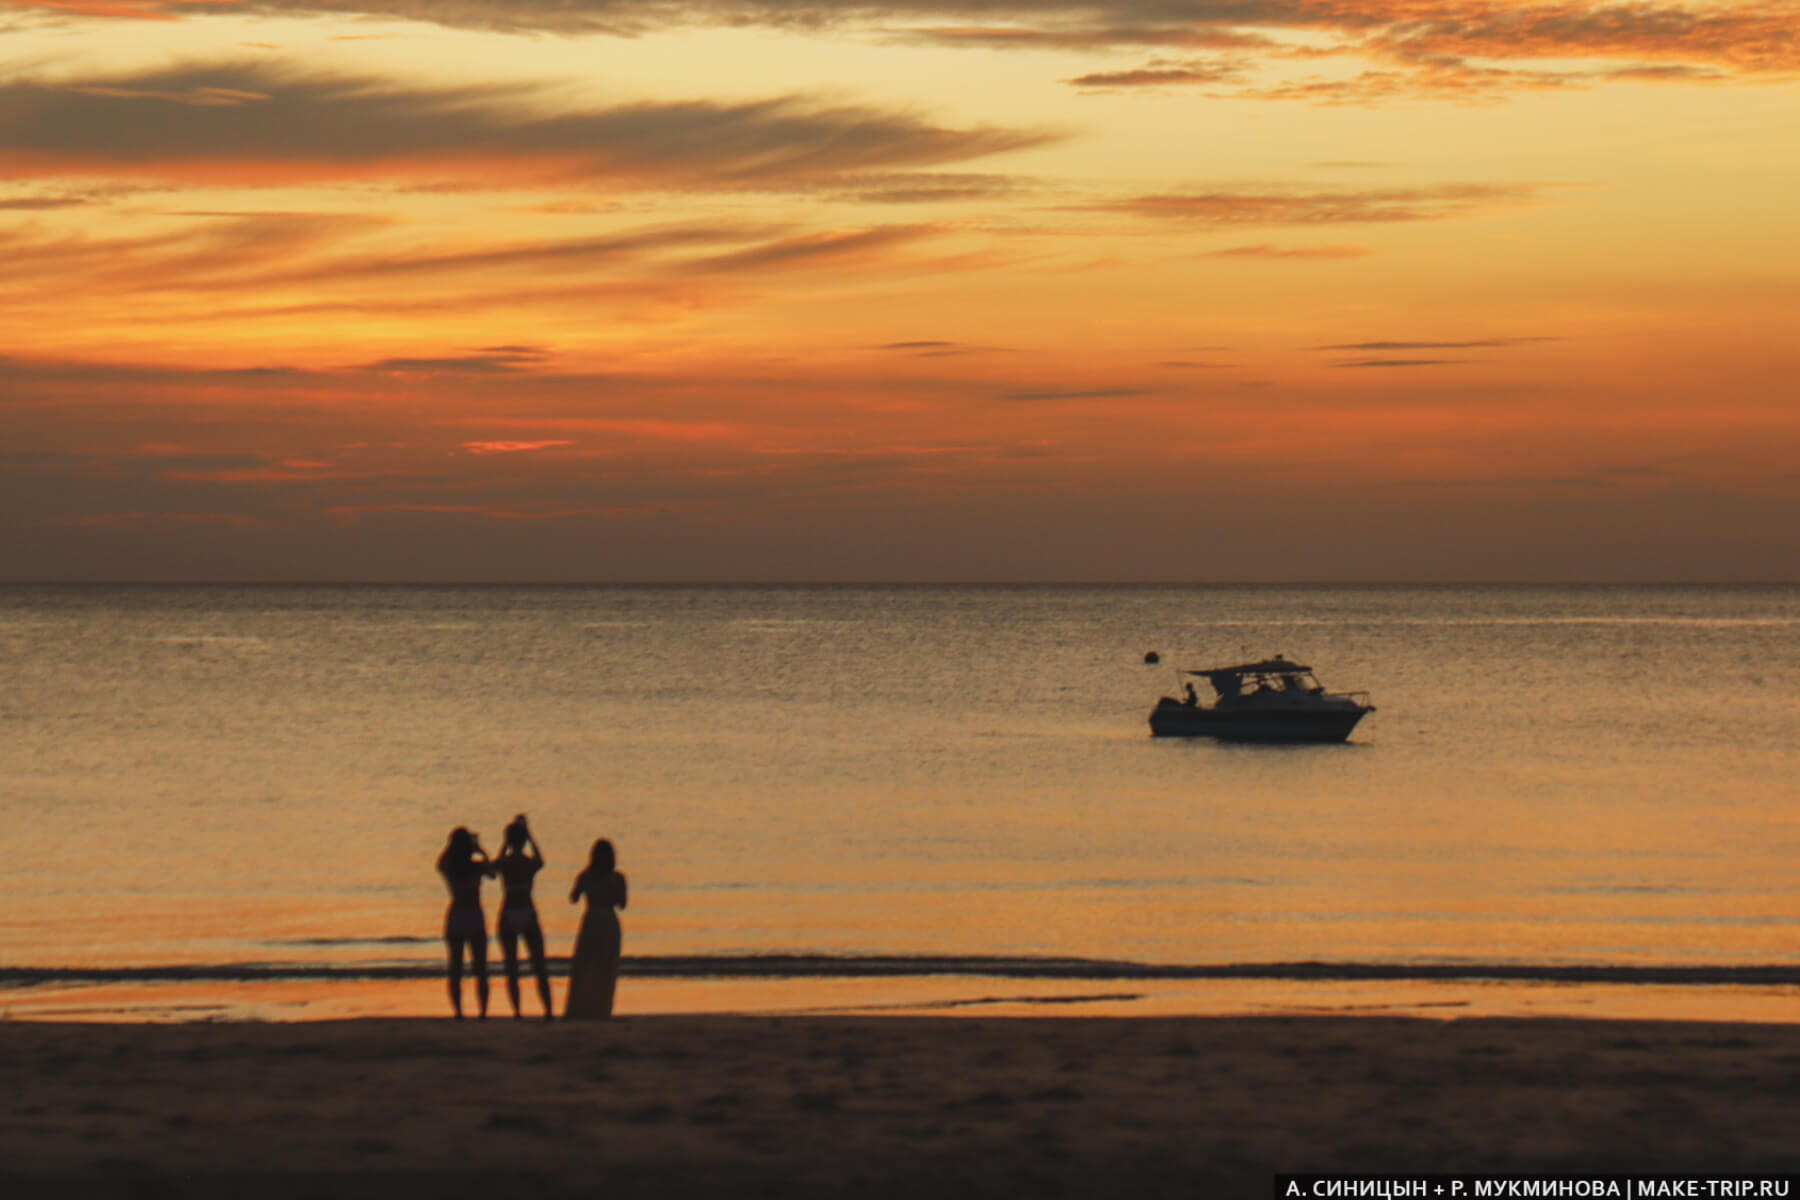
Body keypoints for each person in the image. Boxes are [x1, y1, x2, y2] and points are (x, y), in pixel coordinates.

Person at [494, 814, 554, 1021]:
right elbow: (541, 860)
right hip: (527, 911)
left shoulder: (506, 862)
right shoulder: (528, 863)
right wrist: (531, 837)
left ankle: (517, 1011)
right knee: (539, 964)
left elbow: (494, 867)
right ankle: (548, 1010)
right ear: (523, 841)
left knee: (512, 967)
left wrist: (504, 844)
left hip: (509, 911)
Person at [564, 838, 628, 1019]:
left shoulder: (616, 877)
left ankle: (601, 1009)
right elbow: (574, 898)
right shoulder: (587, 876)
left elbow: (622, 903)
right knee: (585, 966)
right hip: (594, 920)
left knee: (605, 967)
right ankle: (584, 1009)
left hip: (604, 920)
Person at [436, 826, 494, 1020]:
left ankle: (458, 1012)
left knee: (456, 968)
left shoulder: (451, 869)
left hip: (457, 914)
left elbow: (439, 864)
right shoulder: (476, 867)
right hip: (474, 914)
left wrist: (450, 846)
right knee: (480, 968)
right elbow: (493, 872)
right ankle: (483, 1012)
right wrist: (481, 849)